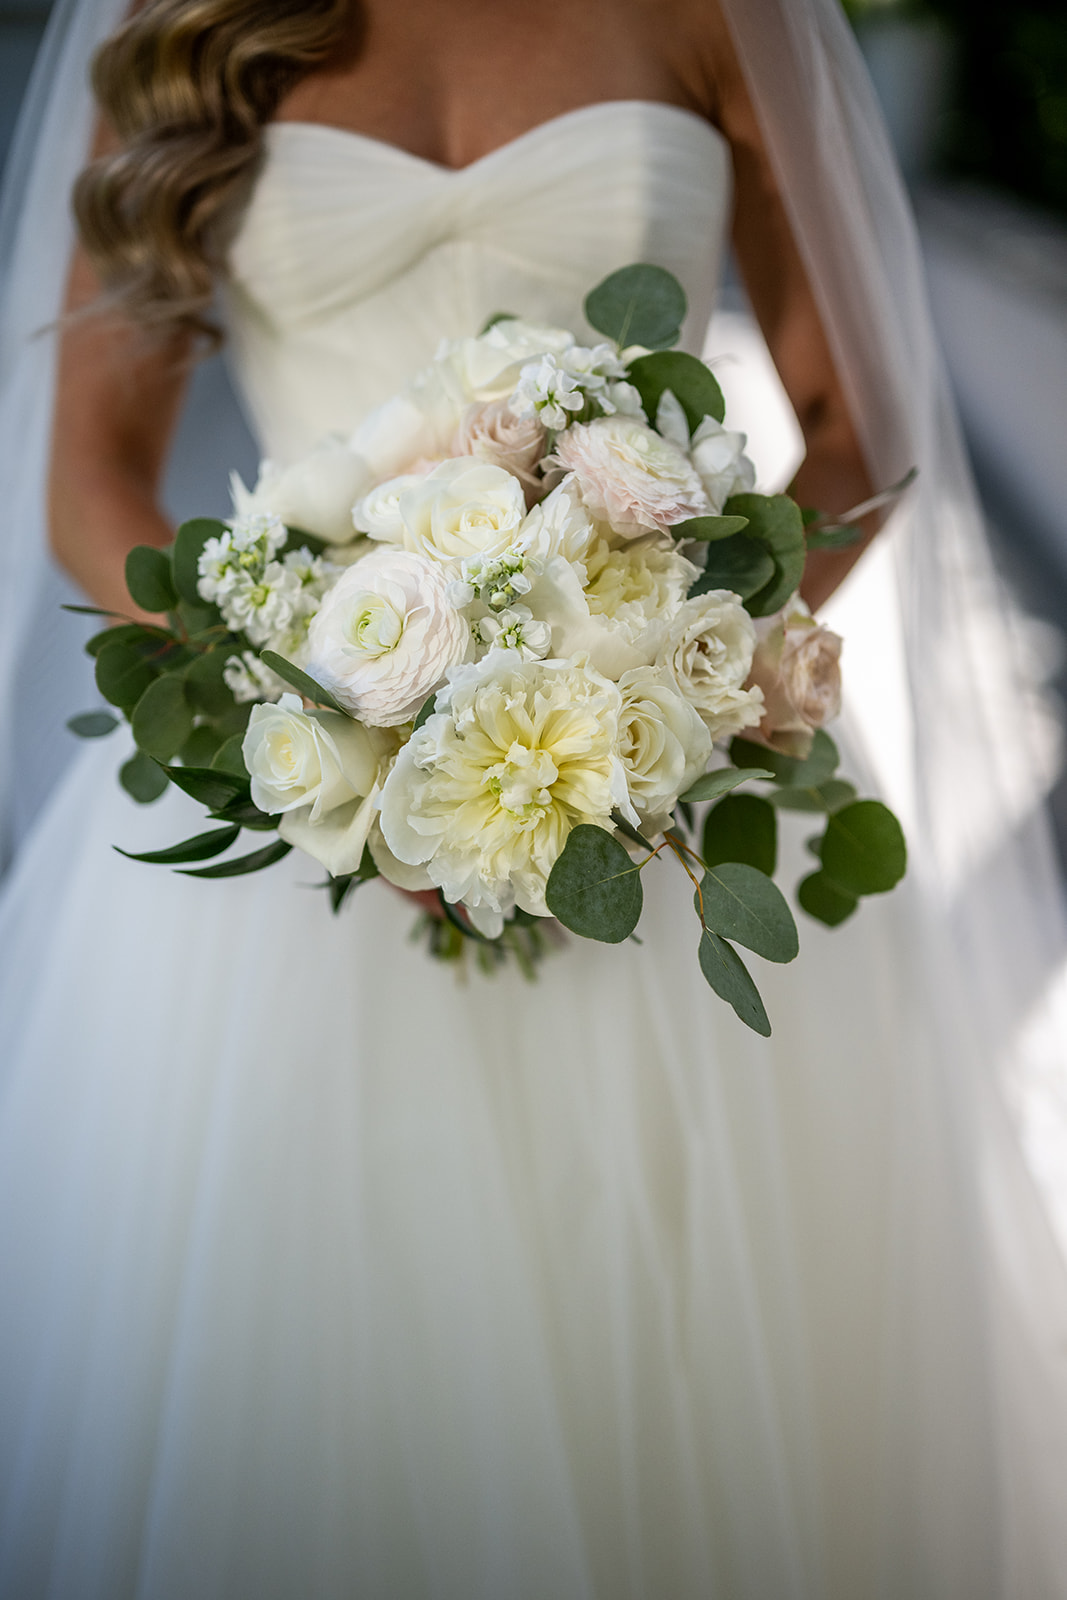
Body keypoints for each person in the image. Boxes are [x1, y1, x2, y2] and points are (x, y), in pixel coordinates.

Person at [1, 1, 1066, 1596]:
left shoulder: (717, 11)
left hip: (668, 805)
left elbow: (857, 424)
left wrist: (673, 687)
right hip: (284, 836)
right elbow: (93, 478)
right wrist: (324, 745)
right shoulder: (193, 29)